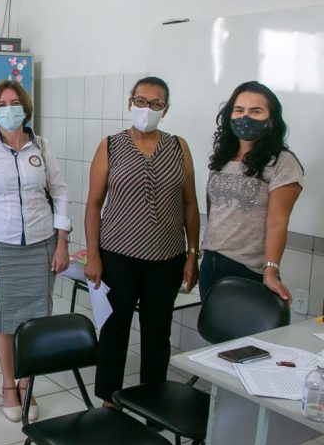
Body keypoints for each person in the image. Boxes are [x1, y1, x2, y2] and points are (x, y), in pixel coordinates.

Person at [84, 76, 200, 408]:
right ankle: (109, 398)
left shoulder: (179, 147)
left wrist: (192, 254)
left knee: (157, 332)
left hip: (167, 258)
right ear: (129, 102)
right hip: (118, 254)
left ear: (165, 110)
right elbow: (94, 204)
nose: (146, 109)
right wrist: (93, 255)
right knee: (115, 327)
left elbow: (190, 204)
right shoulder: (110, 145)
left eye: (155, 104)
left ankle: (153, 401)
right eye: (140, 101)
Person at [0, 80, 71, 422]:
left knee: (36, 319)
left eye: (14, 102)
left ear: (25, 108)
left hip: (41, 246)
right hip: (0, 246)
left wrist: (62, 242)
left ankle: (28, 384)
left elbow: (60, 193)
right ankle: (9, 385)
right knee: (4, 321)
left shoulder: (41, 146)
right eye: (2, 104)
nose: (9, 108)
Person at [199, 81, 303, 300]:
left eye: (256, 111)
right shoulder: (222, 158)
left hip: (248, 270)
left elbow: (277, 221)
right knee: (215, 332)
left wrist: (271, 271)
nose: (245, 117)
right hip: (212, 262)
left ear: (271, 120)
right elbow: (214, 209)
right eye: (239, 110)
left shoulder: (282, 162)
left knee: (243, 334)